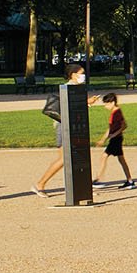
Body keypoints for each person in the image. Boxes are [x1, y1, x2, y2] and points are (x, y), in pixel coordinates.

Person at [34, 63, 91, 197]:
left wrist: (87, 102)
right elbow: (69, 108)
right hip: (64, 126)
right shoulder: (68, 88)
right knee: (65, 159)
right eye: (81, 73)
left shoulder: (77, 88)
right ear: (73, 75)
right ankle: (40, 184)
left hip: (74, 126)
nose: (83, 76)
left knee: (75, 157)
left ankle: (81, 186)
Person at [97, 92, 133, 189]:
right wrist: (103, 139)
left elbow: (124, 125)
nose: (105, 106)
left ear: (112, 102)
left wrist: (114, 134)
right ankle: (130, 181)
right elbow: (110, 128)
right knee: (121, 159)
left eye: (106, 104)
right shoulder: (114, 113)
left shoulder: (117, 112)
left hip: (116, 139)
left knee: (104, 156)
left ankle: (99, 179)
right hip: (115, 138)